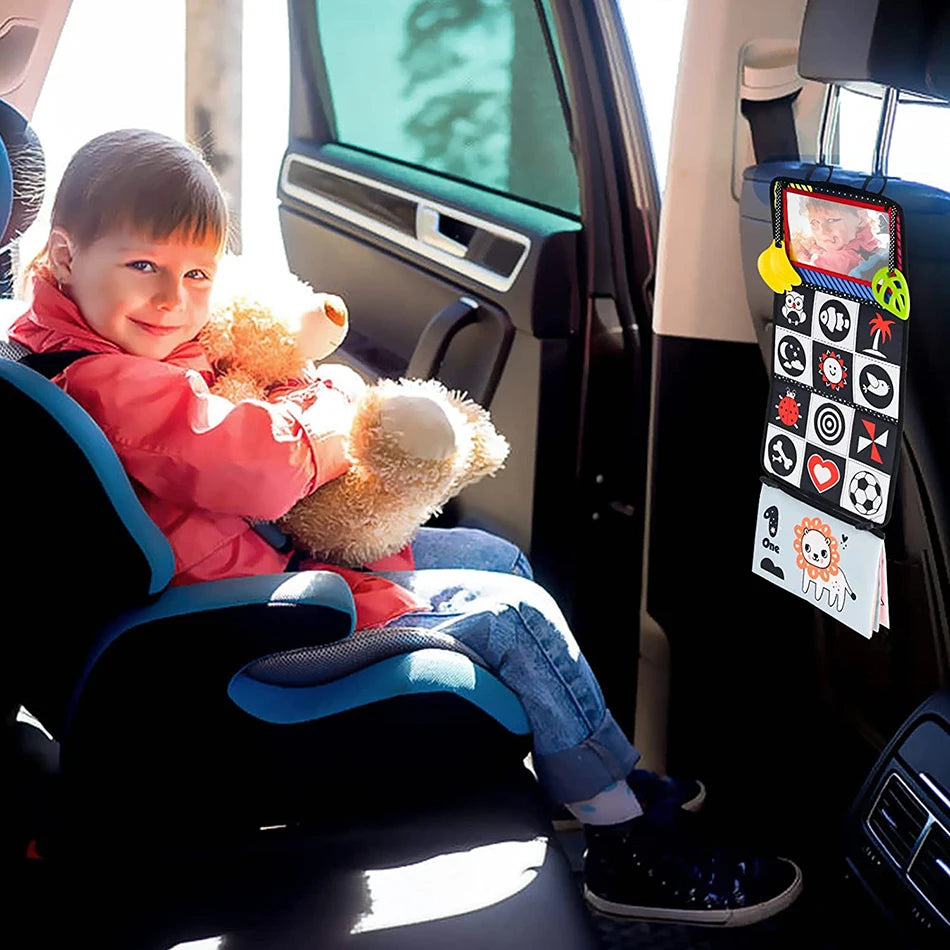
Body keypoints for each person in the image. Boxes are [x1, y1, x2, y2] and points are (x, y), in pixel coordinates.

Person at [10, 129, 802, 925]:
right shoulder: (109, 381)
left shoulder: (62, 354)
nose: (173, 300)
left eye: (197, 275)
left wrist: (291, 399)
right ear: (66, 256)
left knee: (494, 556)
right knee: (513, 616)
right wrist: (331, 412)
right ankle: (624, 844)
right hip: (247, 626)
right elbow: (261, 466)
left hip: (250, 580)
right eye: (142, 266)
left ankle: (593, 768)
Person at [791, 196, 887, 280]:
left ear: (861, 218)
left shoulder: (839, 261)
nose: (823, 231)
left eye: (832, 220)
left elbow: (801, 276)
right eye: (814, 223)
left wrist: (800, 255)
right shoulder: (870, 243)